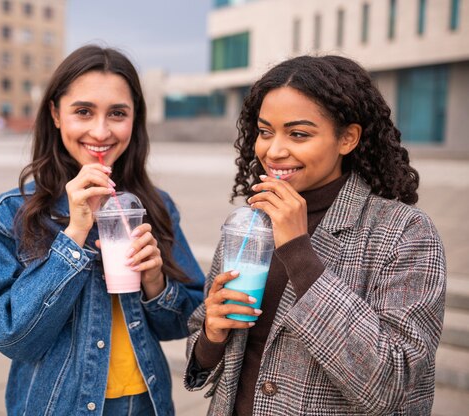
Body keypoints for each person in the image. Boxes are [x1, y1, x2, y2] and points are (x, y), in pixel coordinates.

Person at [184, 55, 446, 415]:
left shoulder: (405, 233)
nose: (273, 151)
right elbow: (202, 346)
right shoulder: (250, 223)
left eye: (298, 134)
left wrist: (297, 249)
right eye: (264, 131)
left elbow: (392, 384)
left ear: (348, 138)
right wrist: (211, 337)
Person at [0, 45, 204, 416]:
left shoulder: (156, 206)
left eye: (118, 114)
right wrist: (75, 233)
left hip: (144, 403)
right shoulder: (11, 212)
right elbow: (8, 334)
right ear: (55, 114)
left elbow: (183, 322)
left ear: (134, 119)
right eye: (83, 111)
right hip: (56, 405)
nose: (101, 131)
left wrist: (155, 281)